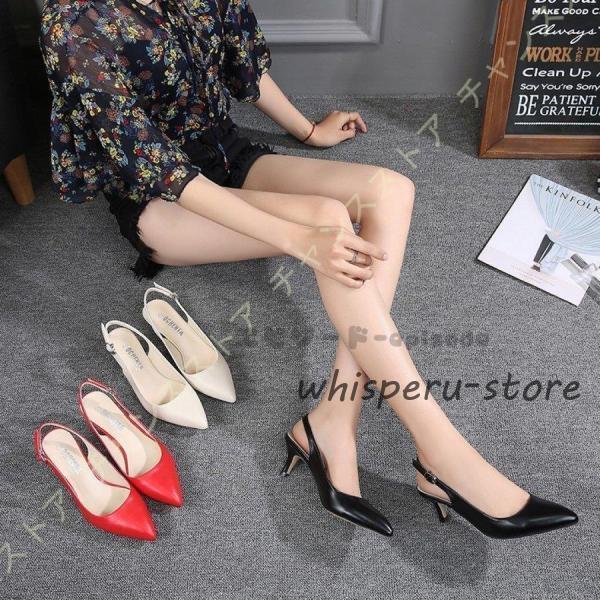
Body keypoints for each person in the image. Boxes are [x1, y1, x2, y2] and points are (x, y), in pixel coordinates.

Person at [40, 0, 577, 537]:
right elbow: (158, 168)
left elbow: (240, 60)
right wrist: (299, 240)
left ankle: (334, 418)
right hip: (162, 200)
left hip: (226, 155)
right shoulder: (73, 24)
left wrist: (308, 131)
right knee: (326, 219)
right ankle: (442, 449)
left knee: (392, 190)